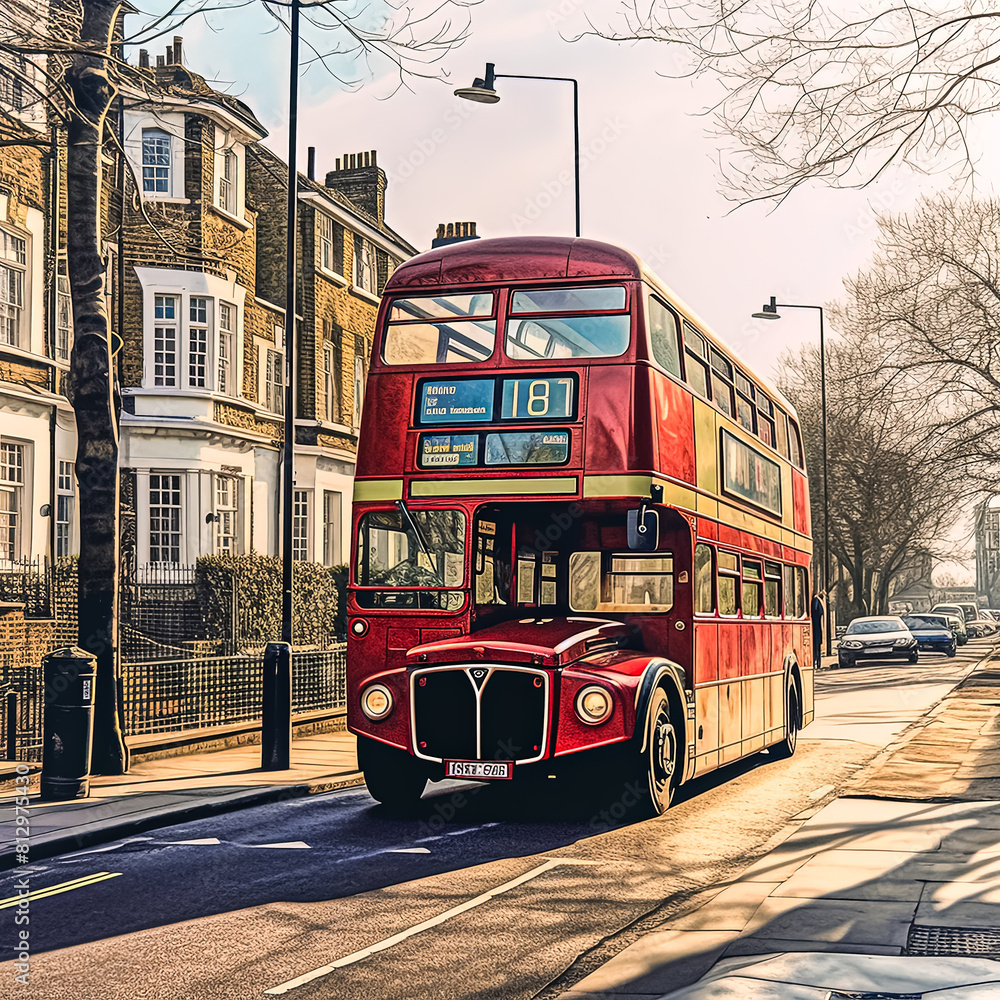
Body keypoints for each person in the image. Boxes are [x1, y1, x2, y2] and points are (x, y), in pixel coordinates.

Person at [811, 590, 825, 667]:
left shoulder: (816, 600)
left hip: (816, 626)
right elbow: (817, 611)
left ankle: (817, 662)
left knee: (816, 646)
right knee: (817, 646)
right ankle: (817, 662)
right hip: (816, 627)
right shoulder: (817, 600)